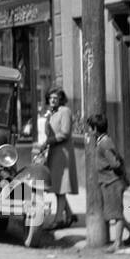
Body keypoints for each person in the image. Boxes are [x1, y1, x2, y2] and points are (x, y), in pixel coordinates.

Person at [88, 113, 130, 252]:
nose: (89, 131)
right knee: (115, 211)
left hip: (112, 181)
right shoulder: (104, 141)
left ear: (94, 129)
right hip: (108, 181)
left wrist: (111, 167)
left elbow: (115, 163)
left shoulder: (104, 143)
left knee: (116, 214)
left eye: (90, 128)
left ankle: (118, 243)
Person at [44, 88, 77, 228]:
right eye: (51, 98)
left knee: (61, 187)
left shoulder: (65, 111)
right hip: (54, 152)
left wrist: (49, 141)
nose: (53, 100)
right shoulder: (53, 113)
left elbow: (65, 133)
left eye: (56, 98)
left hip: (63, 153)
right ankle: (69, 214)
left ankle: (58, 220)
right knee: (57, 186)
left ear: (61, 99)